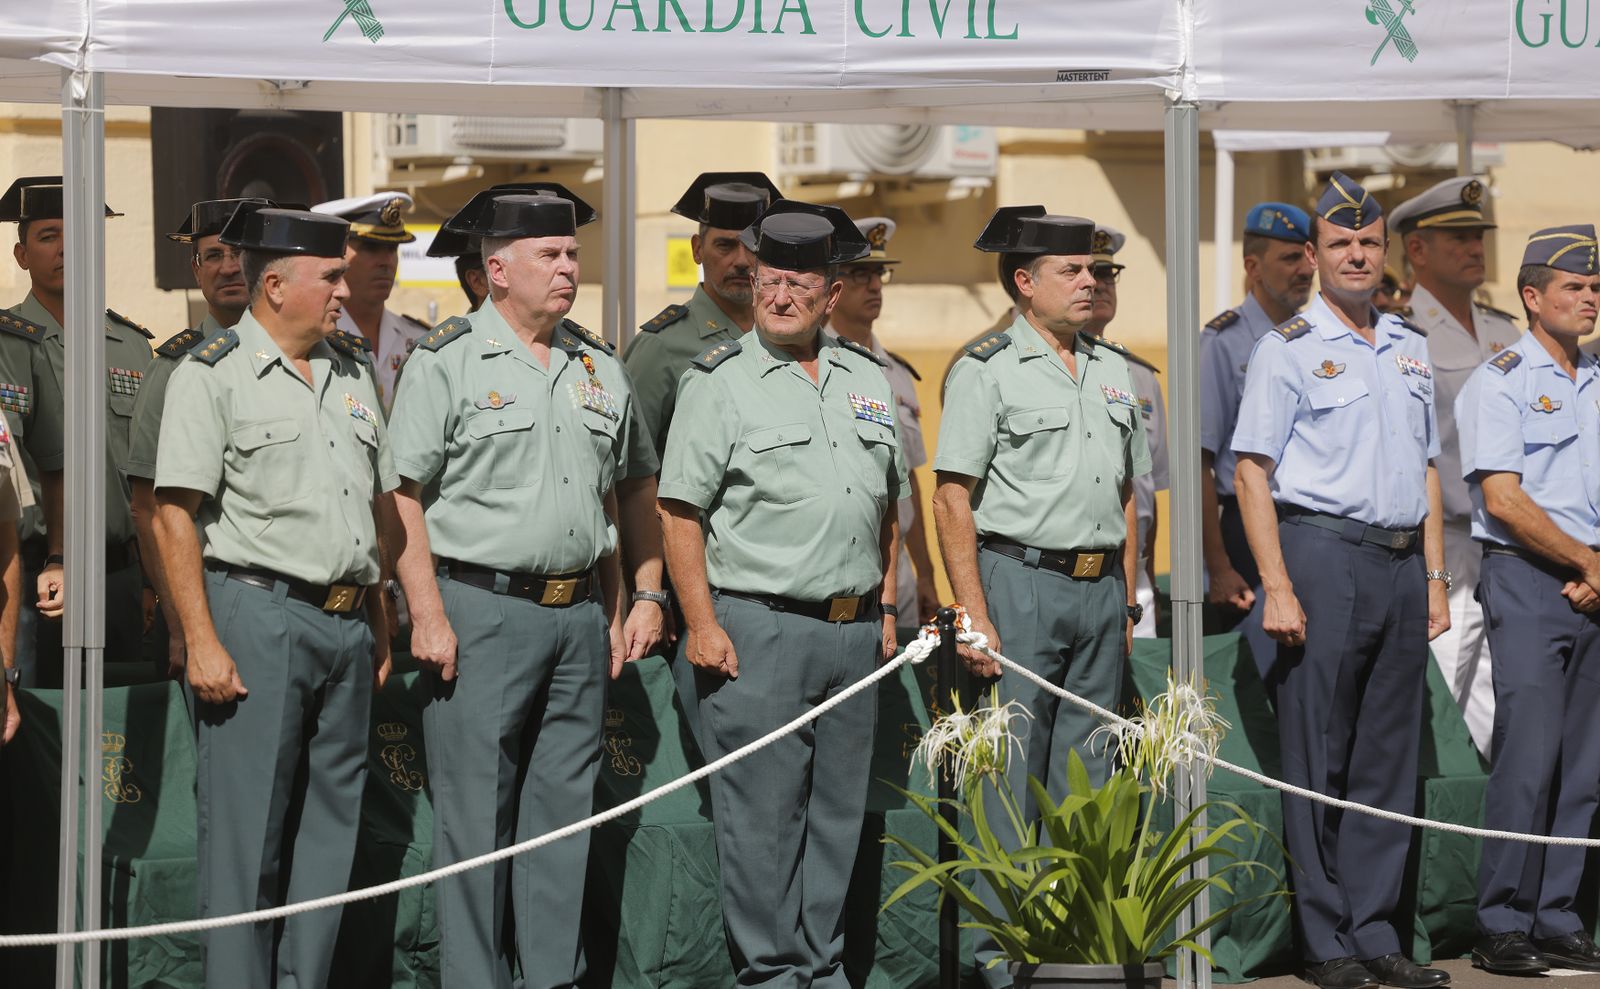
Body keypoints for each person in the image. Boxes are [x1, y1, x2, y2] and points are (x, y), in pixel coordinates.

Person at [388, 187, 661, 989]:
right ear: (496, 269)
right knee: (475, 821)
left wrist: (637, 595)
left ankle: (551, 977)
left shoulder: (596, 362)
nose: (569, 267)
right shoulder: (447, 358)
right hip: (481, 608)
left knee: (560, 821)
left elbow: (628, 490)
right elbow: (400, 492)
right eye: (550, 255)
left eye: (573, 253)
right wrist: (428, 612)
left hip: (578, 618)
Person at [658, 200, 901, 988]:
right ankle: (770, 973)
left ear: (831, 294)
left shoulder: (868, 378)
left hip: (853, 633)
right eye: (770, 280)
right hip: (758, 631)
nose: (781, 295)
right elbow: (679, 512)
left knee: (836, 818)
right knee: (762, 821)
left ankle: (820, 965)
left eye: (799, 282)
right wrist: (699, 622)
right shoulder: (718, 382)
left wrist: (889, 610)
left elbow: (886, 505)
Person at [152, 203, 395, 989]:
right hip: (256, 616)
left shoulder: (353, 371)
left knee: (330, 837)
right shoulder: (211, 372)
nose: (343, 289)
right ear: (276, 283)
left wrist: (383, 623)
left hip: (347, 624)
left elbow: (375, 513)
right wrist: (201, 637)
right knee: (246, 840)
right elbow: (174, 517)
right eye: (330, 276)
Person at [1232, 172, 1450, 989]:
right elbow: (1252, 472)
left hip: (1399, 561)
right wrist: (1277, 583)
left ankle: (1377, 929)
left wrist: (1432, 577)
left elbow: (1427, 469)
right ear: (1315, 255)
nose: (1357, 255)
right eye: (1340, 243)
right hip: (1322, 553)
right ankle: (1326, 939)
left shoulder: (1408, 343)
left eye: (1369, 242)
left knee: (1387, 758)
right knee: (1317, 753)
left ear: (1384, 250)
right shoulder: (1285, 348)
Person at [933, 205, 1150, 988]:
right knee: (1008, 779)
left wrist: (1127, 600)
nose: (1091, 281)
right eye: (1073, 270)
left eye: (1095, 270)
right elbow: (952, 495)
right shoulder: (985, 366)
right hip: (1017, 581)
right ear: (1025, 283)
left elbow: (1127, 490)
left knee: (1088, 773)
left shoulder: (1111, 365)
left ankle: (1070, 946)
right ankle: (1000, 961)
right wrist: (973, 612)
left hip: (1098, 591)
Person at [1458, 225, 1600, 976]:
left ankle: (1557, 911)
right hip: (1528, 577)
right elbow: (1504, 499)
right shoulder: (1502, 379)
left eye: (1595, 287)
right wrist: (1585, 560)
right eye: (1574, 287)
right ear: (1532, 296)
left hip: (1592, 580)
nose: (1589, 298)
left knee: (1585, 760)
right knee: (1530, 751)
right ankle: (1502, 917)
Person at [1, 175, 152, 686]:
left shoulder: (132, 345)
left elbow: (150, 471)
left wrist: (151, 579)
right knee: (40, 734)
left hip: (123, 576)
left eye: (80, 233)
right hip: (32, 579)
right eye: (48, 236)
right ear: (22, 255)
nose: (67, 248)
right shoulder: (9, 343)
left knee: (126, 738)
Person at [1387, 176, 1519, 757]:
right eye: (1458, 237)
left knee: (1501, 697)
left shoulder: (1505, 329)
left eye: (1478, 236)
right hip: (1445, 545)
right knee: (1443, 691)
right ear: (1417, 251)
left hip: (1510, 543)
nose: (1475, 248)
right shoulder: (1400, 334)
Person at [128, 198, 273, 677]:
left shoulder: (316, 363)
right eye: (213, 256)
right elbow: (148, 508)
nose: (228, 267)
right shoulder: (172, 369)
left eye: (238, 254)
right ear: (195, 269)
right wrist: (179, 624)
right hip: (213, 607)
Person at [1199, 202, 1314, 642]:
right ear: (1253, 266)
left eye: (1308, 255)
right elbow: (1200, 465)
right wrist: (1220, 566)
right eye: (1289, 259)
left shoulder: (1318, 338)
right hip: (1245, 531)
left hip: (1310, 528)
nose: (1305, 269)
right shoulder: (1222, 342)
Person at [825, 215, 940, 630]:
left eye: (879, 274)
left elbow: (908, 483)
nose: (875, 286)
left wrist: (926, 574)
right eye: (861, 274)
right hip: (836, 569)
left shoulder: (897, 373)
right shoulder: (815, 367)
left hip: (900, 575)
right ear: (833, 285)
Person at [624, 170, 781, 457]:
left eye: (752, 246)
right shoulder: (661, 346)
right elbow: (631, 469)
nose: (742, 261)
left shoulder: (784, 336)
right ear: (697, 250)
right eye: (725, 245)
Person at [1084, 223, 1167, 637]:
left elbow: (1151, 486)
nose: (1098, 285)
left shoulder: (1141, 375)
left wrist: (1143, 569)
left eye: (1107, 275)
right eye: (1088, 273)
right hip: (1073, 573)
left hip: (1138, 576)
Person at [312, 191, 428, 411]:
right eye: (371, 248)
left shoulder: (417, 340)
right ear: (337, 256)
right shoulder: (315, 339)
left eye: (392, 249)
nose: (386, 262)